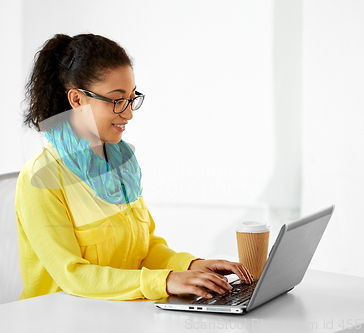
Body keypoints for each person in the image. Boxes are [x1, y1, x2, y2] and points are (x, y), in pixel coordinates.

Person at [16, 33, 253, 301]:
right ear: (77, 100)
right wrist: (164, 280)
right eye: (117, 100)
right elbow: (73, 276)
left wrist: (191, 266)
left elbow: (144, 249)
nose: (128, 113)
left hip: (120, 314)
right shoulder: (40, 179)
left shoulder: (120, 164)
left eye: (132, 98)